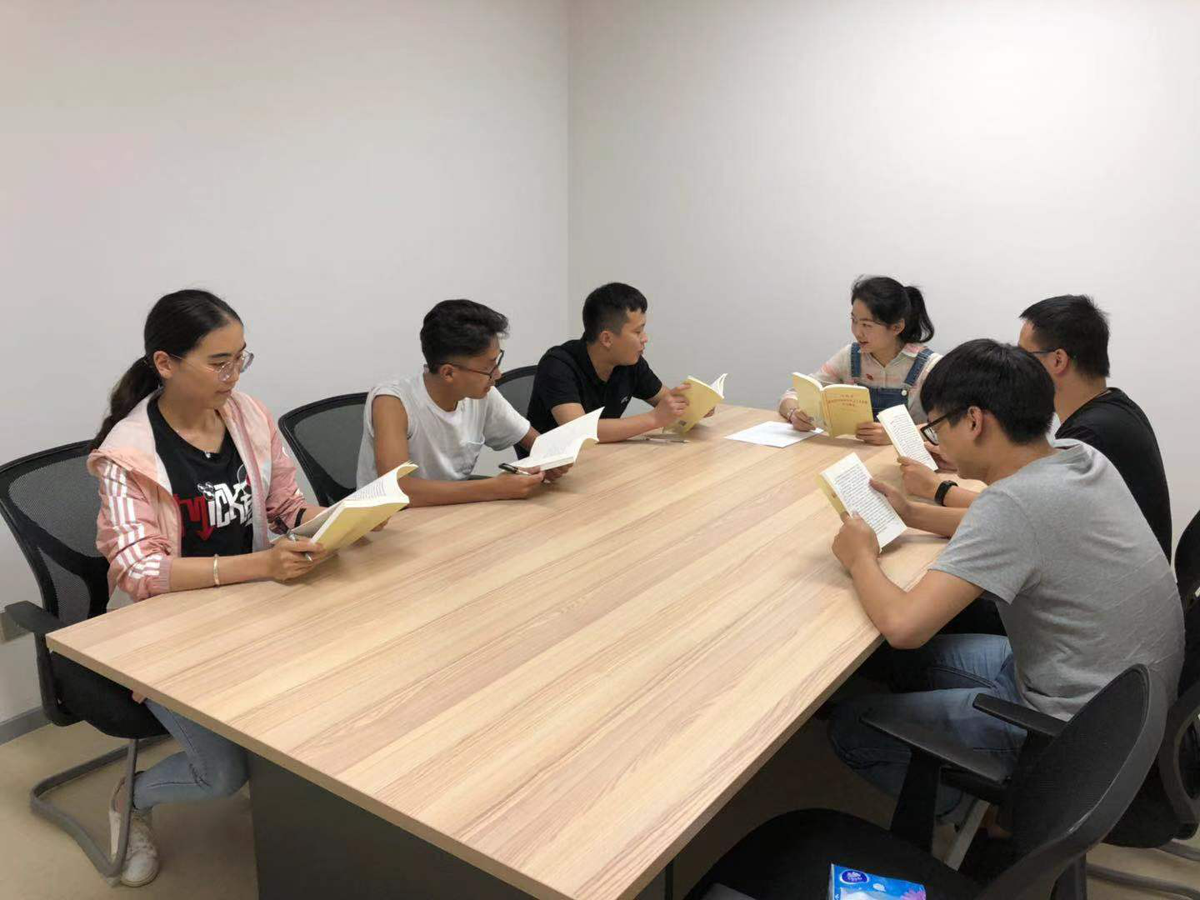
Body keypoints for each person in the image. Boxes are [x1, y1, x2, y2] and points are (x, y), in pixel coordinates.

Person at [826, 338, 1182, 816]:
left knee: (853, 721)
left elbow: (905, 626)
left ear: (974, 421)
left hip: (1075, 732)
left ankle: (974, 812)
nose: (937, 441)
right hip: (1119, 698)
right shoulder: (1078, 455)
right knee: (914, 665)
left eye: (937, 427)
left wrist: (860, 558)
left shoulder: (1013, 505)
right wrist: (912, 512)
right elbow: (1014, 526)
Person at [90, 289, 340, 886]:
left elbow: (283, 505)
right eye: (219, 362)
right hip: (165, 632)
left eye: (241, 359)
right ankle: (131, 797)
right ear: (165, 363)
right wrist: (261, 567)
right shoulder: (127, 454)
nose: (234, 376)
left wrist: (337, 520)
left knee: (335, 685)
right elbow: (139, 570)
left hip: (252, 609)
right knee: (222, 775)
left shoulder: (248, 415)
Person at [898, 295, 1172, 560]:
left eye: (1023, 354)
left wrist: (937, 491)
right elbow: (1024, 511)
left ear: (1058, 360)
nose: (1014, 363)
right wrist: (970, 457)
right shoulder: (1114, 408)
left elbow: (1010, 523)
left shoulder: (1087, 440)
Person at [358, 299, 568, 505]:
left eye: (497, 361)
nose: (498, 374)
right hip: (394, 520)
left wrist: (550, 460)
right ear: (448, 373)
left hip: (453, 511)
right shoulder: (392, 403)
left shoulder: (482, 394)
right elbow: (397, 489)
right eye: (489, 367)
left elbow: (536, 442)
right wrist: (493, 488)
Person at [779, 276, 941, 444]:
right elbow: (791, 395)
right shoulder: (849, 356)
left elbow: (950, 426)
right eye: (854, 321)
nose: (857, 332)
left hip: (904, 458)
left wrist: (898, 434)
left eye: (866, 325)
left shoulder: (929, 367)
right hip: (855, 453)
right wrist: (794, 414)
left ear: (896, 327)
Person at [525, 282, 694, 442]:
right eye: (638, 332)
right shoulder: (557, 365)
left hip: (602, 454)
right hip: (554, 461)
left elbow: (667, 402)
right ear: (607, 339)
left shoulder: (630, 362)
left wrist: (692, 405)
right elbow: (579, 431)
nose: (645, 338)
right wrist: (654, 418)